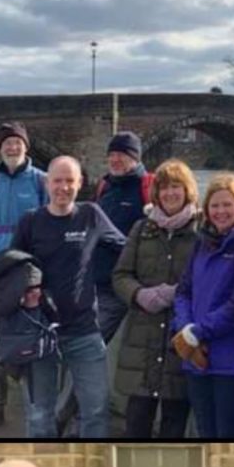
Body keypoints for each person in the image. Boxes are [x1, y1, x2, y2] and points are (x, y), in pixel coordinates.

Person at [8, 155, 125, 438]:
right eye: (57, 181)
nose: (63, 188)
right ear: (47, 183)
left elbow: (126, 248)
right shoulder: (30, 222)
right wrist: (25, 294)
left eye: (69, 181)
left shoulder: (91, 215)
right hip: (40, 333)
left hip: (84, 331)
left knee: (95, 411)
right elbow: (12, 268)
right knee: (39, 416)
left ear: (80, 183)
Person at [112, 159, 199, 438]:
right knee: (136, 422)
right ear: (156, 193)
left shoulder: (201, 233)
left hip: (179, 340)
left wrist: (178, 293)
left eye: (176, 187)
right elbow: (121, 275)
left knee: (174, 424)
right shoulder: (142, 229)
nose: (170, 194)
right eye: (164, 188)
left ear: (187, 191)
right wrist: (139, 294)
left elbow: (209, 282)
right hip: (143, 341)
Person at [172, 173, 234, 439]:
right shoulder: (201, 242)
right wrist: (185, 326)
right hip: (195, 356)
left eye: (227, 205)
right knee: (204, 430)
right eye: (215, 206)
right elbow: (183, 291)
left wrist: (198, 332)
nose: (221, 211)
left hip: (228, 358)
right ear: (207, 210)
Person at [0, 121, 48, 435]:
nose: (12, 148)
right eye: (7, 143)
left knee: (30, 338)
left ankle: (37, 410)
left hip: (28, 267)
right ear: (0, 148)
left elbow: (48, 223)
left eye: (17, 142)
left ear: (25, 146)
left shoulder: (42, 181)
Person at [93, 131, 155, 343]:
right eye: (112, 154)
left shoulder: (148, 188)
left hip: (121, 286)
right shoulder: (105, 186)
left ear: (136, 158)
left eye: (122, 155)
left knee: (90, 342)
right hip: (95, 282)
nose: (115, 160)